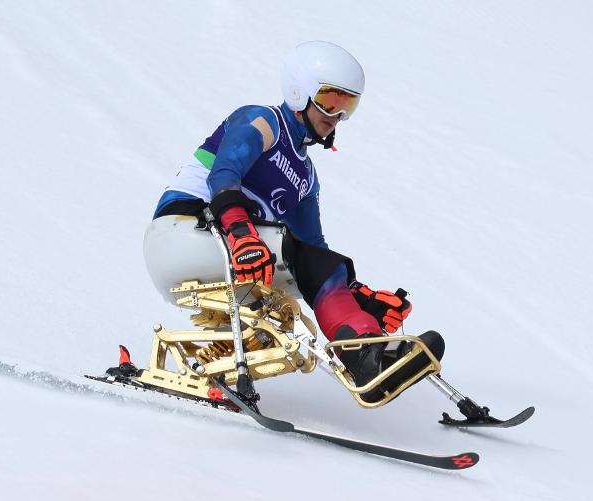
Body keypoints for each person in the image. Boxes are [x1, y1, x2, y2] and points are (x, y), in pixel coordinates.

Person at [144, 41, 439, 389]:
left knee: (312, 271)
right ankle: (361, 356)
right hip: (183, 232)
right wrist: (241, 234)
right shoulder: (263, 120)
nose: (336, 115)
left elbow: (313, 250)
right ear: (300, 92)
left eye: (347, 105)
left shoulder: (306, 177)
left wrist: (357, 297)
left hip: (233, 248)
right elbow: (223, 174)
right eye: (330, 99)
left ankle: (367, 344)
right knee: (306, 262)